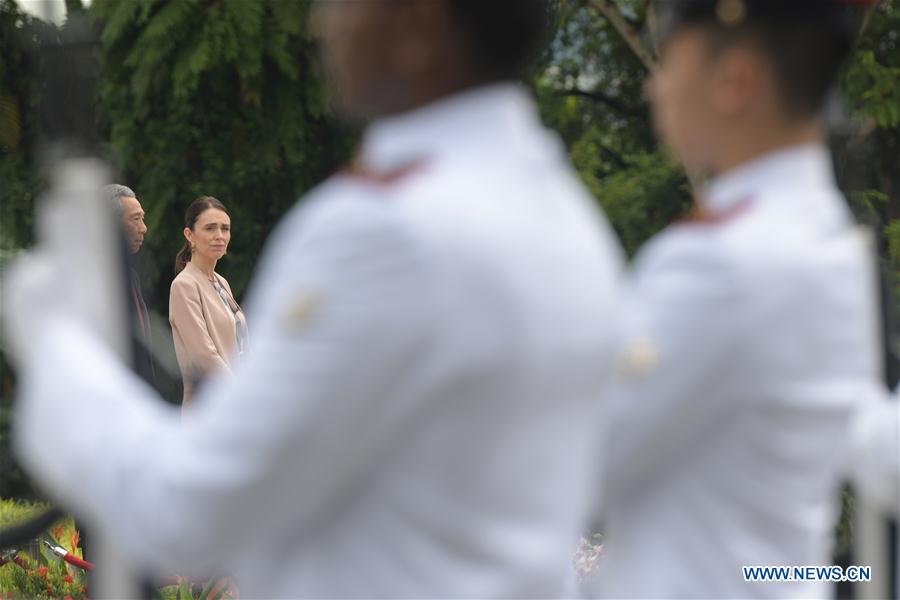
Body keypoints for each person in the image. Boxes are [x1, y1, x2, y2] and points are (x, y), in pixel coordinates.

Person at [7, 1, 623, 596]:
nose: (321, 22)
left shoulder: (382, 228)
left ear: (420, 18)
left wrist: (58, 344)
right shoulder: (566, 220)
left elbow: (191, 509)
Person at [593, 1, 883, 597]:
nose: (654, 87)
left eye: (670, 63)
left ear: (735, 82)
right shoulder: (830, 237)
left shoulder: (721, 262)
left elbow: (576, 457)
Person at [169, 196, 247, 407]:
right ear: (190, 235)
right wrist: (243, 397)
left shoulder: (221, 282)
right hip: (209, 408)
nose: (220, 236)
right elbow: (203, 355)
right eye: (210, 228)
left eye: (225, 228)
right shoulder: (184, 285)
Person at [104, 183, 155, 384]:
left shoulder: (129, 277)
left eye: (142, 218)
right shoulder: (95, 284)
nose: (144, 228)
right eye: (135, 219)